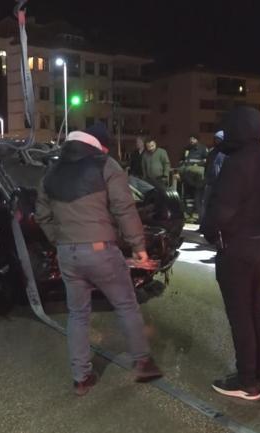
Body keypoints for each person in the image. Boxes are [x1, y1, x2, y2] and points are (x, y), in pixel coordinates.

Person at [35, 123, 163, 397]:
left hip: (67, 253)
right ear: (99, 145)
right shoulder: (106, 165)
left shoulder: (52, 171)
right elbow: (124, 208)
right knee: (126, 304)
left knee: (78, 314)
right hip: (100, 250)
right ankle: (143, 362)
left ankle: (81, 377)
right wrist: (138, 246)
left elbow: (42, 215)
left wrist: (59, 240)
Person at [201, 106, 260, 401]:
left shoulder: (237, 163)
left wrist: (211, 232)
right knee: (256, 308)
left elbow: (222, 208)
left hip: (236, 246)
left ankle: (247, 380)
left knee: (240, 314)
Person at [178, 135, 208, 218]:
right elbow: (181, 161)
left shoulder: (203, 149)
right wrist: (180, 171)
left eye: (193, 139)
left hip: (198, 177)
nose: (191, 140)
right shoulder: (186, 149)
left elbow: (207, 161)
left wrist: (197, 164)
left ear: (197, 140)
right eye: (190, 139)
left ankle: (196, 213)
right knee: (188, 195)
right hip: (188, 176)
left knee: (198, 195)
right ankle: (188, 213)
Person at [201, 130, 226, 225]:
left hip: (222, 183)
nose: (217, 141)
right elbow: (207, 166)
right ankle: (204, 224)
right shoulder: (211, 152)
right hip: (210, 182)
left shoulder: (227, 152)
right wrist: (205, 177)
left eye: (219, 139)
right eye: (216, 139)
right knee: (206, 203)